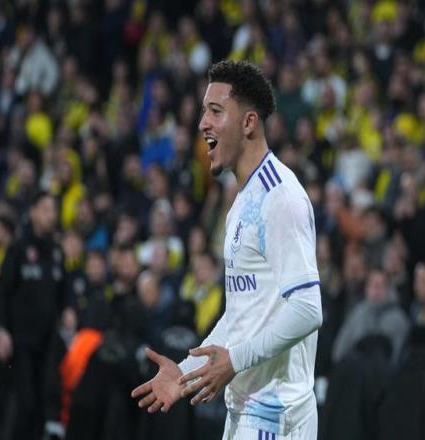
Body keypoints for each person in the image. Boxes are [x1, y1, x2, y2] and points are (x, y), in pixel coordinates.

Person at [132, 60, 323, 440]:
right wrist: (185, 374)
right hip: (247, 410)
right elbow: (240, 318)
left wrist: (235, 360)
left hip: (275, 415)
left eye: (215, 111)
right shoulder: (243, 201)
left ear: (249, 123)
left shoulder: (280, 197)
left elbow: (307, 309)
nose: (202, 123)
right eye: (204, 111)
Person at [0, 191, 67, 440]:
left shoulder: (56, 252)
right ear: (33, 212)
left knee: (43, 403)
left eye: (53, 210)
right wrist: (1, 330)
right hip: (21, 341)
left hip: (48, 342)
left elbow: (63, 293)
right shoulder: (18, 248)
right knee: (25, 403)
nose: (51, 215)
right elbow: (2, 292)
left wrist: (69, 311)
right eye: (46, 209)